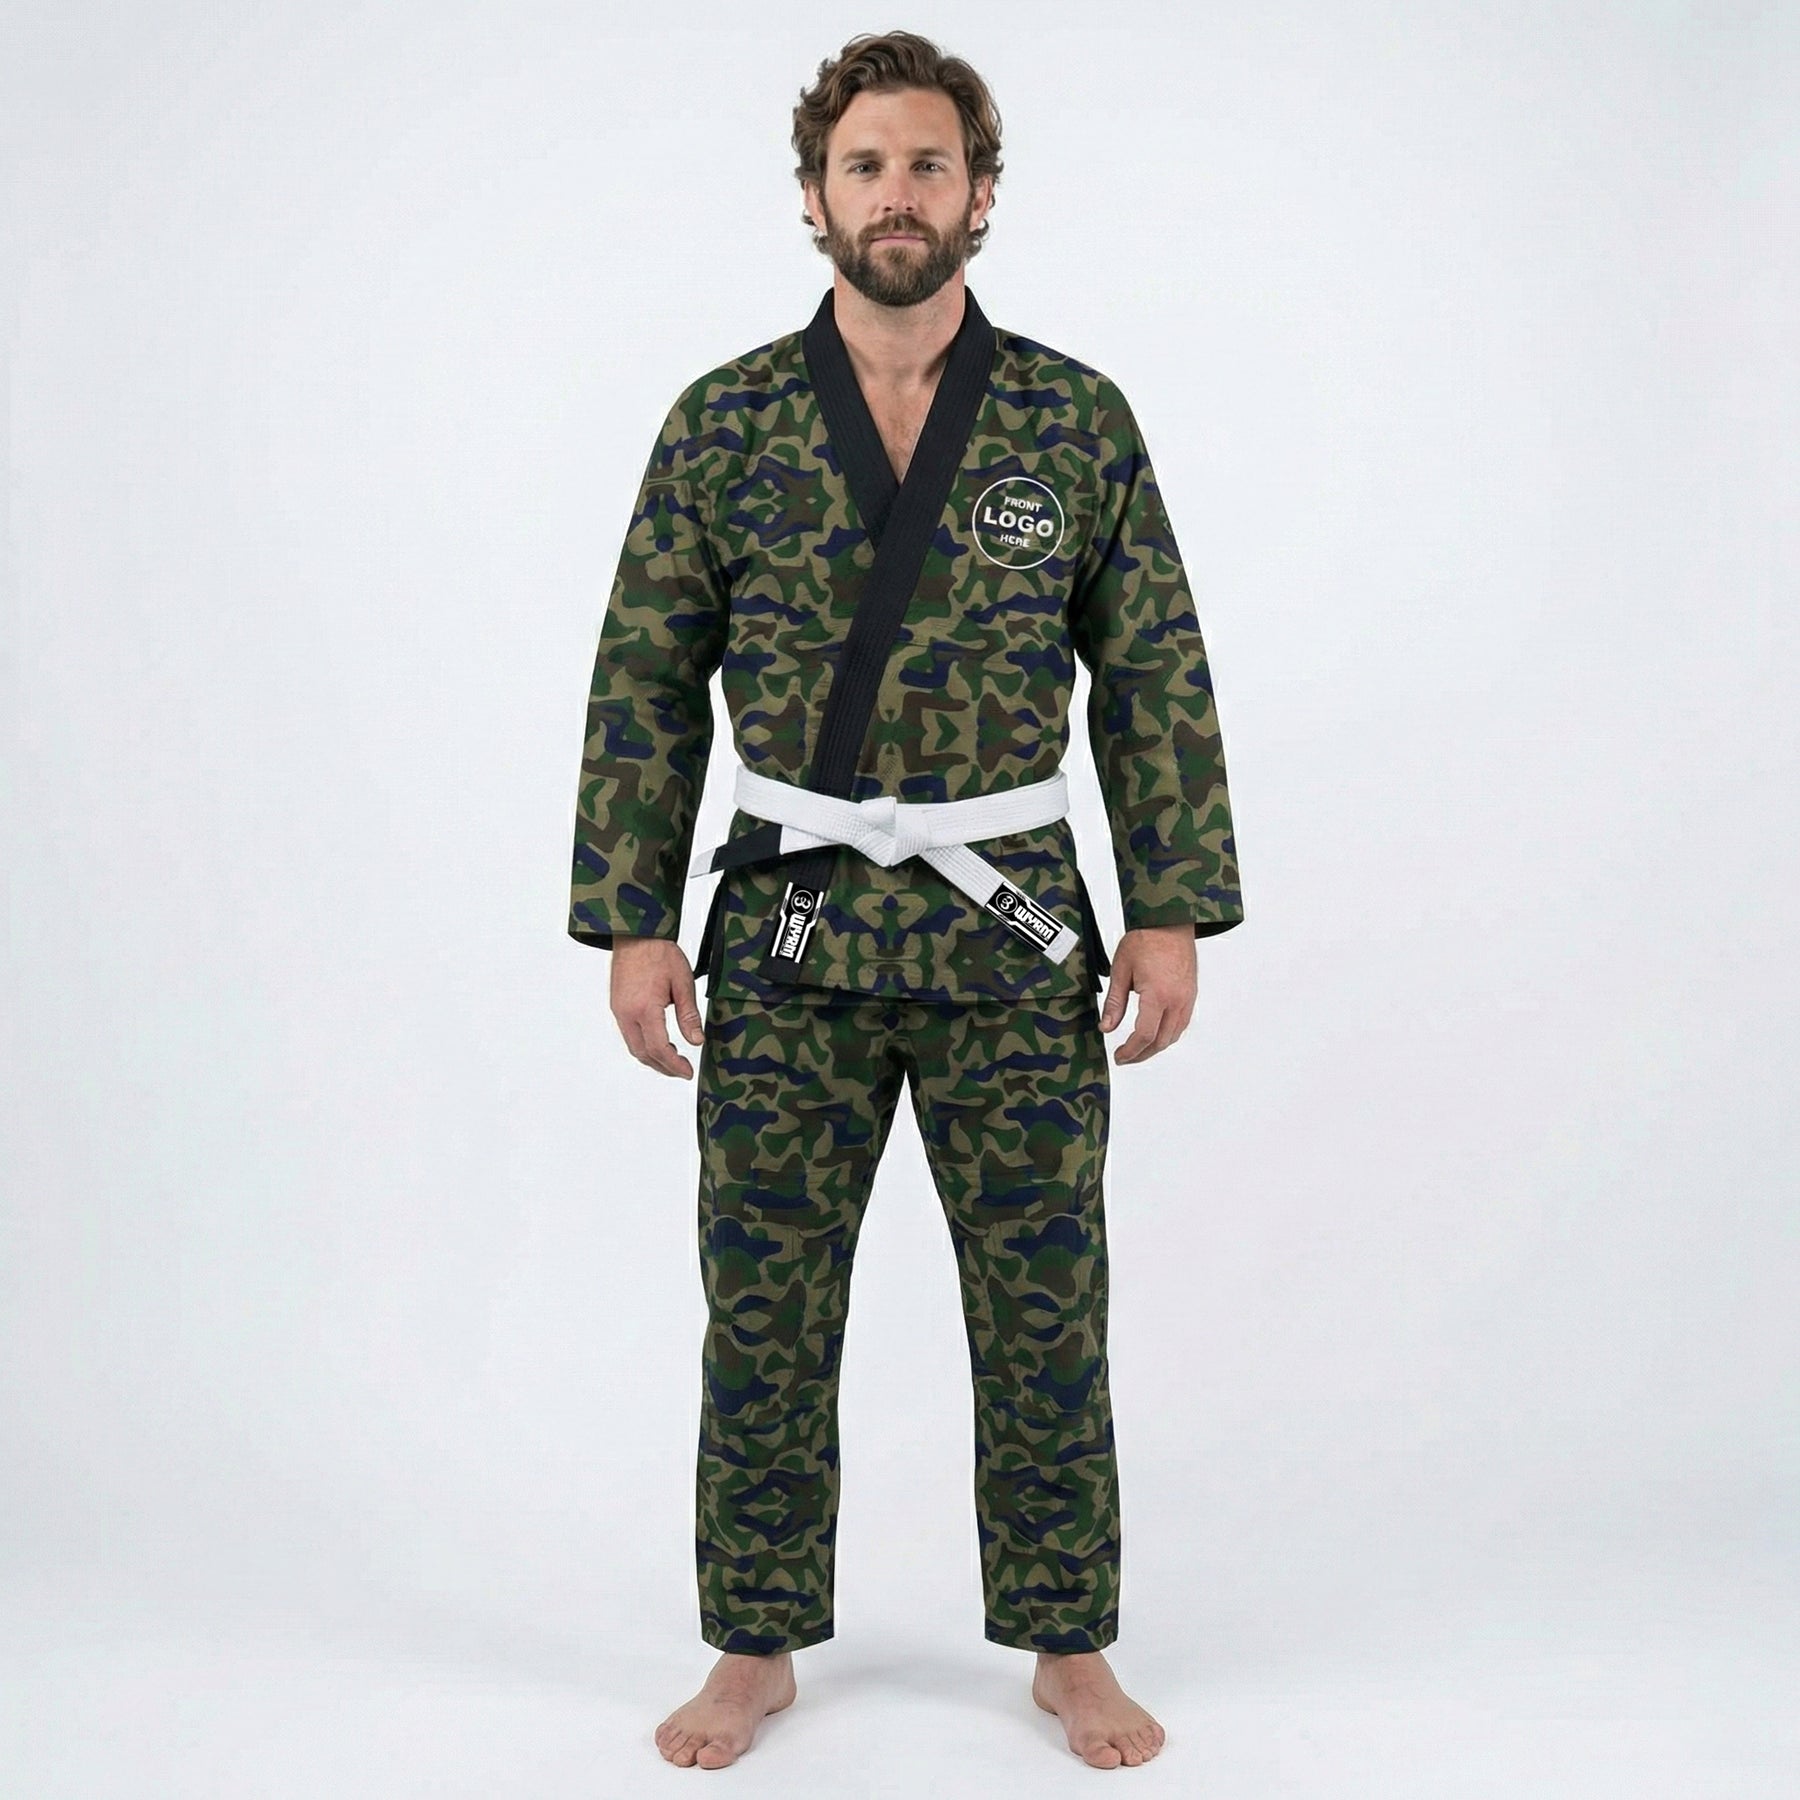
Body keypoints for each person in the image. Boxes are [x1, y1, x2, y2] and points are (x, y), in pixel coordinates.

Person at [568, 29, 1243, 1771]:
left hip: (1009, 931)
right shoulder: (724, 423)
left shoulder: (1072, 420)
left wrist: (1168, 906)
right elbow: (645, 677)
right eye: (864, 165)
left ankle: (1069, 1643)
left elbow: (1152, 672)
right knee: (764, 1308)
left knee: (1045, 1307)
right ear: (815, 198)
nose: (896, 194)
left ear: (980, 196)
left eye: (928, 164)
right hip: (790, 934)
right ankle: (756, 1644)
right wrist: (635, 917)